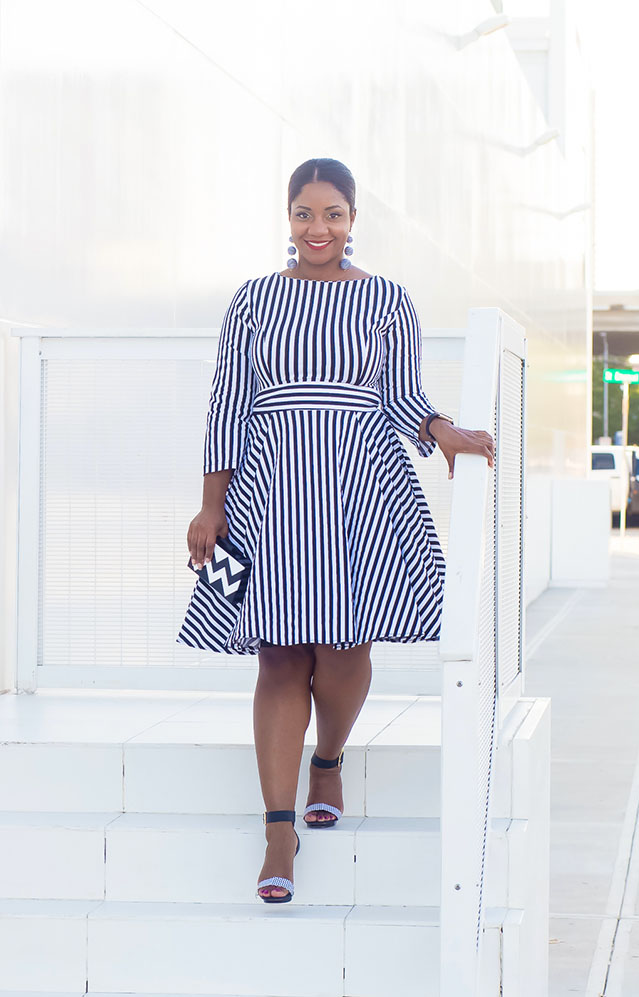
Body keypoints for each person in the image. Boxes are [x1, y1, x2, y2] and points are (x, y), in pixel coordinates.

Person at [177, 157, 494, 903]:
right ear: (287, 218)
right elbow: (228, 404)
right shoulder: (253, 299)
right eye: (303, 213)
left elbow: (401, 394)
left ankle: (328, 759)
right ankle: (278, 832)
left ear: (353, 219)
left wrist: (443, 430)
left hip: (361, 487)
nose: (317, 228)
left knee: (347, 648)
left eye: (332, 214)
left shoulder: (388, 298)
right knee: (280, 654)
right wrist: (210, 505)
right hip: (270, 489)